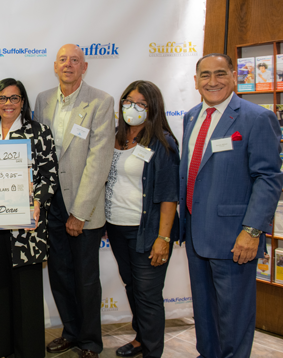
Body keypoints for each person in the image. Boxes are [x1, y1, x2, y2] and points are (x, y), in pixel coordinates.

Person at [180, 53, 283, 358]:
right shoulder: (190, 116)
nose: (213, 81)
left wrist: (252, 230)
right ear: (196, 81)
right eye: (205, 75)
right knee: (205, 313)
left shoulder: (256, 117)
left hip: (235, 237)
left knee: (234, 318)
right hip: (196, 234)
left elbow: (268, 179)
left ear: (235, 77)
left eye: (221, 74)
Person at [33, 44, 115, 358]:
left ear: (85, 66)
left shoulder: (101, 102)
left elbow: (99, 160)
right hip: (51, 205)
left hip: (84, 207)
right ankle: (70, 332)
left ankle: (91, 341)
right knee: (60, 274)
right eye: (63, 60)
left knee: (86, 278)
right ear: (56, 66)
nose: (69, 65)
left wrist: (79, 211)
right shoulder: (43, 100)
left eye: (75, 60)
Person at [0, 78, 58, 358]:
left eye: (14, 98)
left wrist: (38, 203)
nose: (8, 103)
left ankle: (29, 352)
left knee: (27, 296)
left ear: (23, 102)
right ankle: (2, 351)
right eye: (2, 98)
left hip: (28, 228)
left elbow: (49, 175)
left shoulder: (39, 132)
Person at [105, 80, 179, 358]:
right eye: (127, 102)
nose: (131, 108)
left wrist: (163, 238)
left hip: (146, 231)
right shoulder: (115, 135)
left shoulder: (162, 142)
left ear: (153, 107)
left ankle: (152, 350)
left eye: (140, 104)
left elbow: (169, 195)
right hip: (116, 226)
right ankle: (140, 339)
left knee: (148, 295)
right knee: (133, 286)